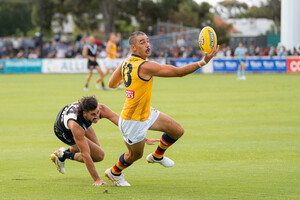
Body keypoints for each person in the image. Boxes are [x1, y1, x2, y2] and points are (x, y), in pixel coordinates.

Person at [105, 31, 219, 186]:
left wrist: (130, 86)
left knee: (177, 130)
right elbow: (178, 73)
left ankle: (157, 156)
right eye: (142, 42)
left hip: (146, 112)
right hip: (133, 120)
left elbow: (112, 84)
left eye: (147, 41)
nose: (147, 45)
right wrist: (203, 62)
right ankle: (114, 172)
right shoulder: (146, 66)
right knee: (135, 155)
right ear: (133, 47)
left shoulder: (126, 62)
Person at [50, 95, 158, 186]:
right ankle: (63, 155)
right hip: (63, 131)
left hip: (79, 121)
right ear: (84, 113)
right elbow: (86, 154)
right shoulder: (76, 126)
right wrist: (97, 179)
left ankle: (62, 154)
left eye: (97, 112)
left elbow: (122, 124)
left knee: (95, 148)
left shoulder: (101, 109)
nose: (97, 116)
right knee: (98, 156)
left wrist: (141, 137)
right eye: (93, 114)